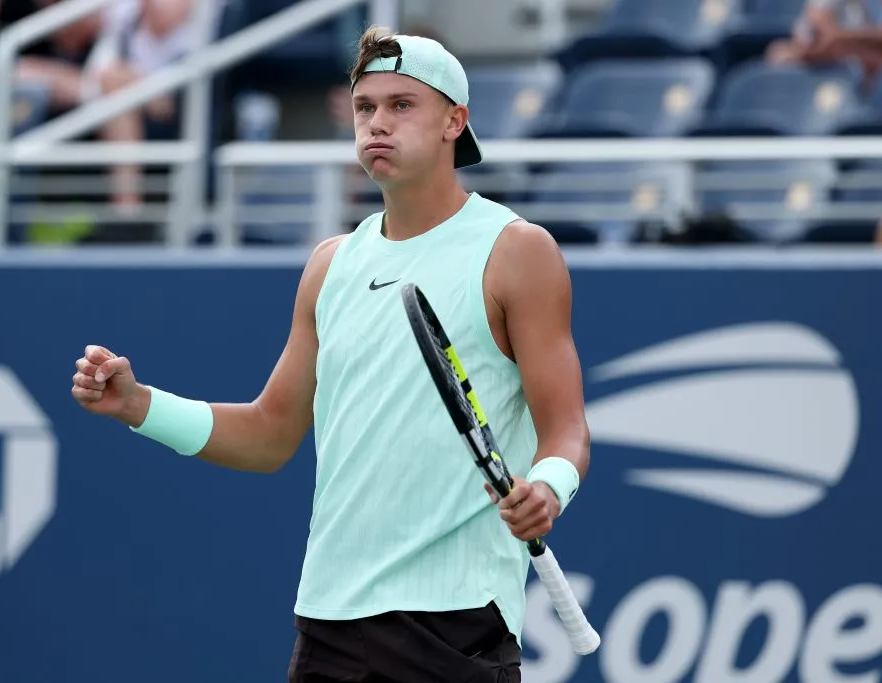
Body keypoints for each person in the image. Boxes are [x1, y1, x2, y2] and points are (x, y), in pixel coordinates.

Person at [71, 26, 591, 682]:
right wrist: (140, 405)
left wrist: (547, 486)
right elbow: (268, 435)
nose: (377, 122)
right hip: (331, 620)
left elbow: (567, 430)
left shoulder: (518, 252)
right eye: (365, 106)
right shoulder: (330, 266)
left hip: (458, 621)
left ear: (453, 121)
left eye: (402, 105)